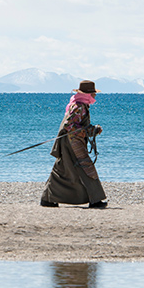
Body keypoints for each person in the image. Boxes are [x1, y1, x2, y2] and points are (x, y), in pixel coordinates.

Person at [40, 80, 108, 208]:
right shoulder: (79, 107)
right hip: (73, 142)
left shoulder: (77, 104)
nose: (95, 96)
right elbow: (69, 125)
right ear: (88, 94)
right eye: (93, 94)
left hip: (68, 142)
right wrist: (91, 130)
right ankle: (95, 200)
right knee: (86, 166)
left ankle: (48, 199)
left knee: (63, 168)